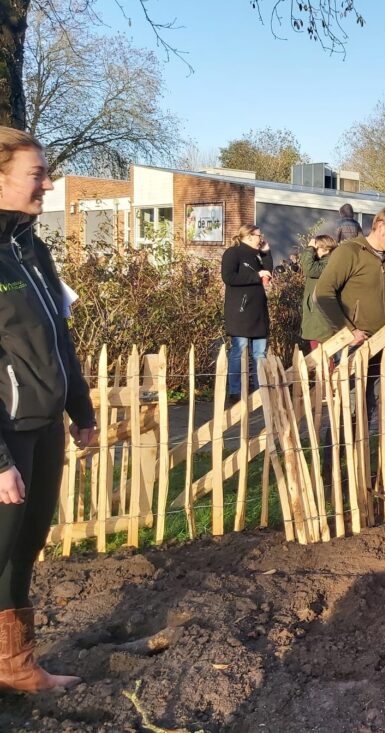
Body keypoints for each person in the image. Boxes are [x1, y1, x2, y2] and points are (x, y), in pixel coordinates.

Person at [0, 126, 96, 692]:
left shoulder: (32, 248)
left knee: (25, 546)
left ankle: (13, 667)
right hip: (6, 431)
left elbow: (59, 332)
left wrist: (80, 409)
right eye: (37, 174)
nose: (49, 184)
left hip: (45, 426)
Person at [315, 206, 385, 413]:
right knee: (349, 410)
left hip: (378, 342)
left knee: (367, 407)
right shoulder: (349, 251)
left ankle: (360, 447)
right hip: (354, 344)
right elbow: (322, 293)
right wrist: (347, 331)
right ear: (381, 227)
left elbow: (382, 301)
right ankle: (338, 447)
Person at [221, 224, 273, 401]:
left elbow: (268, 272)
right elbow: (229, 277)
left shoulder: (258, 255)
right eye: (259, 235)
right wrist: (255, 277)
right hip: (240, 311)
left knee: (259, 353)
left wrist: (266, 253)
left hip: (258, 311)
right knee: (239, 349)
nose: (261, 238)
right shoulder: (233, 253)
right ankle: (235, 391)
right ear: (250, 236)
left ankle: (260, 390)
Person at [299, 234, 336, 352]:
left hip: (321, 315)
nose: (314, 252)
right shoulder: (323, 261)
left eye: (316, 249)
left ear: (324, 248)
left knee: (322, 354)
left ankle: (325, 371)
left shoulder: (329, 263)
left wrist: (309, 248)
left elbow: (309, 269)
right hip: (317, 314)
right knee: (318, 351)